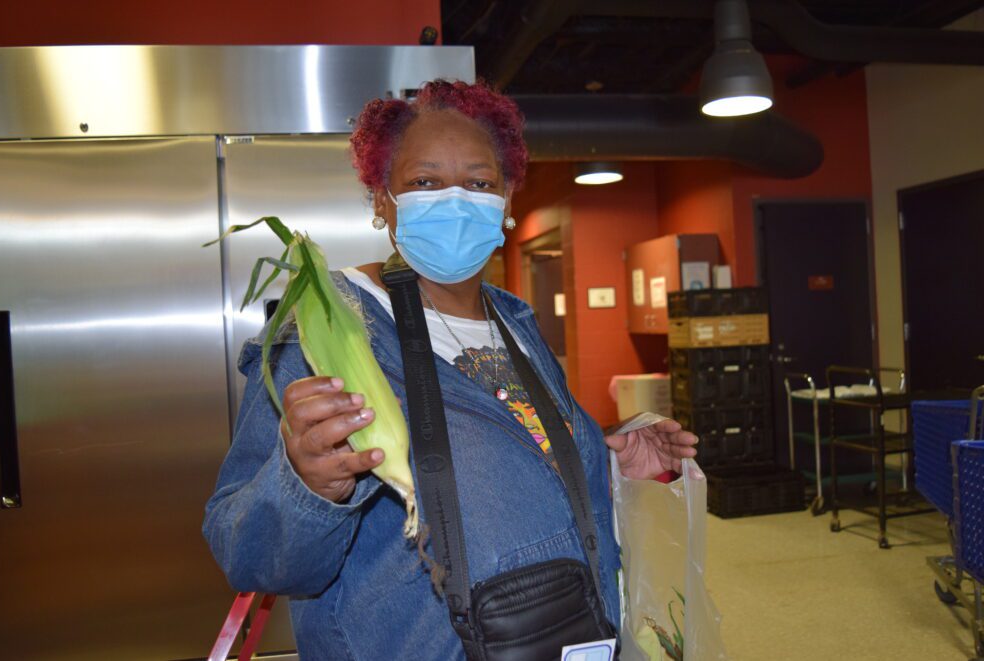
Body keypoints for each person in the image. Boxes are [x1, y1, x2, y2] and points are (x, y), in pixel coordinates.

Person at [203, 79, 698, 660]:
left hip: (564, 638)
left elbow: (506, 466)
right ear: (383, 201)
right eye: (425, 182)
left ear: (507, 199)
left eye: (480, 182)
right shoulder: (326, 331)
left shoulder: (514, 324)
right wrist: (308, 484)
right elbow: (248, 551)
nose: (456, 200)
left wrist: (609, 461)